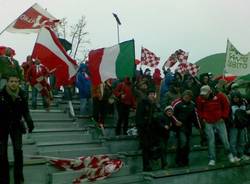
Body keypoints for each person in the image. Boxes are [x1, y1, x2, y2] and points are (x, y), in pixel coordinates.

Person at [0, 73, 34, 184]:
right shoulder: (1, 94)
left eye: (16, 81)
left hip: (16, 125)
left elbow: (26, 111)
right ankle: (4, 178)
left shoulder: (23, 94)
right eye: (11, 81)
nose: (14, 83)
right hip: (2, 125)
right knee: (2, 152)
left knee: (18, 151)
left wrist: (29, 122)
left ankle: (18, 177)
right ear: (7, 82)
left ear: (19, 82)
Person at [196, 85, 235, 166]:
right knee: (211, 141)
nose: (204, 96)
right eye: (202, 94)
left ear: (210, 91)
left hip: (219, 121)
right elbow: (199, 110)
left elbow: (226, 106)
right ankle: (212, 158)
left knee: (225, 140)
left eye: (205, 94)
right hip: (208, 122)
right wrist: (202, 118)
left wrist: (224, 116)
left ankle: (229, 154)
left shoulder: (220, 96)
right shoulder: (200, 98)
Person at [172, 90, 201, 167]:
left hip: (188, 127)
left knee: (187, 145)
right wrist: (176, 122)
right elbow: (171, 113)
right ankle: (179, 160)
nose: (187, 98)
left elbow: (196, 117)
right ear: (183, 96)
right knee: (183, 142)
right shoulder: (177, 103)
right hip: (179, 127)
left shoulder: (192, 105)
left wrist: (199, 127)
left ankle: (185, 161)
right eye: (185, 96)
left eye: (188, 97)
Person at [135, 88, 161, 171]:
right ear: (148, 95)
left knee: (152, 146)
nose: (152, 96)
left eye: (153, 94)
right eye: (151, 94)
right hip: (144, 129)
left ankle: (151, 163)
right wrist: (141, 127)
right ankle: (146, 166)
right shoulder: (143, 103)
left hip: (152, 130)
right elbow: (139, 116)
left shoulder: (155, 105)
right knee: (145, 147)